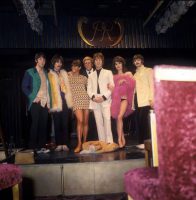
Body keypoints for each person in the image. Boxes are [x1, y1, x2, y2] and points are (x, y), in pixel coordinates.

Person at [22, 52, 51, 153]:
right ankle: (32, 147)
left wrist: (49, 102)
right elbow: (24, 87)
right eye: (40, 59)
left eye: (44, 59)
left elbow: (48, 88)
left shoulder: (46, 73)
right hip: (35, 102)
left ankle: (42, 146)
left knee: (43, 124)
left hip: (44, 102)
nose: (42, 61)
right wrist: (33, 97)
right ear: (36, 60)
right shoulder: (30, 72)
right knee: (35, 124)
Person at [87, 52, 114, 144]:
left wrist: (103, 97)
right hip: (95, 101)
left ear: (102, 61)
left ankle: (109, 142)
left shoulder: (108, 72)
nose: (98, 62)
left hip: (105, 100)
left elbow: (112, 87)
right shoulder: (90, 75)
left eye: (100, 60)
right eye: (96, 60)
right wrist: (93, 97)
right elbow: (89, 90)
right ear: (94, 62)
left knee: (107, 120)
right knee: (98, 122)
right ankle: (102, 142)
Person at [48, 55, 73, 151]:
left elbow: (69, 86)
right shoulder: (49, 74)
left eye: (60, 62)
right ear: (53, 63)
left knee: (65, 123)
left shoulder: (64, 73)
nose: (59, 64)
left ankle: (66, 143)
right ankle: (58, 144)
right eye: (57, 62)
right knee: (57, 123)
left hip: (65, 101)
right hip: (55, 102)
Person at [109, 56, 135, 148]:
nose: (118, 65)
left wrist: (125, 81)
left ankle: (119, 139)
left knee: (120, 117)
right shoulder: (113, 77)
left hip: (124, 98)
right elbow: (111, 90)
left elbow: (132, 87)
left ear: (122, 64)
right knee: (117, 119)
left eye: (119, 63)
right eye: (116, 64)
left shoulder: (128, 74)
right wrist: (111, 87)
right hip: (116, 100)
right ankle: (122, 138)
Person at [68, 59, 90, 153]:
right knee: (80, 120)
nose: (74, 67)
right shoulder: (68, 77)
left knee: (85, 122)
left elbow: (90, 88)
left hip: (85, 99)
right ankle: (79, 143)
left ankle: (84, 143)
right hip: (76, 100)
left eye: (76, 66)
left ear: (79, 68)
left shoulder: (84, 78)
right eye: (73, 66)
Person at [133, 54, 154, 149]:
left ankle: (146, 142)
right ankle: (141, 142)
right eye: (135, 60)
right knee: (140, 122)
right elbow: (134, 90)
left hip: (146, 100)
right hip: (138, 100)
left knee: (145, 122)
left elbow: (152, 85)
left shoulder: (149, 70)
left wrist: (152, 99)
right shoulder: (135, 74)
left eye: (138, 60)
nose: (136, 62)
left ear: (142, 61)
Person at [81, 56, 98, 141]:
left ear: (92, 63)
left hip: (97, 100)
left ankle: (97, 140)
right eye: (85, 63)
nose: (87, 64)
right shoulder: (81, 74)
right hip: (85, 102)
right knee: (86, 122)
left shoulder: (97, 72)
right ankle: (87, 141)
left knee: (96, 121)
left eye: (89, 62)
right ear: (84, 65)